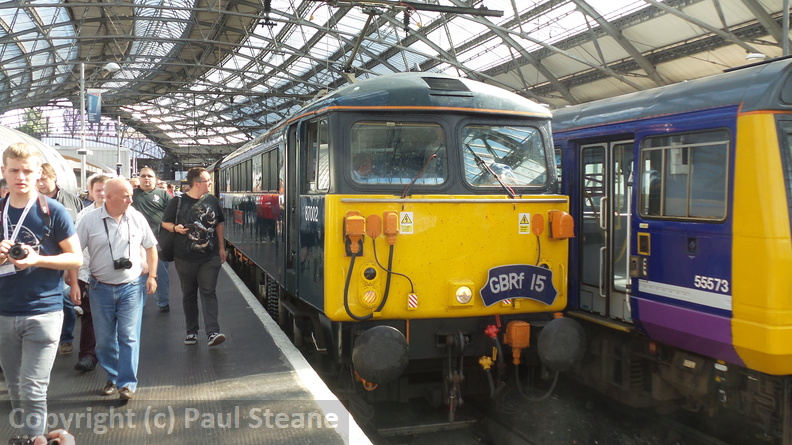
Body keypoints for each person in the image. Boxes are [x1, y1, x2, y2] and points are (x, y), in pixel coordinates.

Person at [0, 142, 82, 436]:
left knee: (33, 386)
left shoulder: (54, 211)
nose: (20, 176)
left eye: (27, 171)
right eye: (14, 171)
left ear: (38, 174)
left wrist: (39, 259)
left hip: (43, 311)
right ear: (4, 172)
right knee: (15, 387)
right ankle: (29, 436)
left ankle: (34, 439)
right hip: (4, 312)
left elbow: (76, 257)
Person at [74, 178, 157, 400]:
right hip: (100, 288)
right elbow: (74, 253)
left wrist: (152, 276)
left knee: (129, 336)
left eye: (131, 194)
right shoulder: (89, 220)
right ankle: (113, 375)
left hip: (131, 287)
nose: (131, 199)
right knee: (104, 341)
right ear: (109, 198)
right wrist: (73, 282)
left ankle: (127, 383)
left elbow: (151, 248)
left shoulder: (137, 218)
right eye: (126, 195)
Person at [162, 167, 226, 346]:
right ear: (197, 183)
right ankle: (192, 332)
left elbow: (219, 223)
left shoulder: (212, 200)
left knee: (208, 291)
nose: (211, 183)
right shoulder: (178, 201)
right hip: (185, 257)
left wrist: (221, 247)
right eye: (208, 181)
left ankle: (213, 332)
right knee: (189, 294)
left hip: (210, 256)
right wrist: (176, 228)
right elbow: (165, 223)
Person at [37, 163, 84, 357]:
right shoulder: (30, 203)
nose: (40, 183)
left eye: (43, 179)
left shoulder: (71, 201)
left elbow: (80, 230)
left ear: (54, 177)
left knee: (66, 299)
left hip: (66, 260)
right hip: (39, 262)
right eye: (37, 179)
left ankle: (66, 338)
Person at [69, 174, 112, 373]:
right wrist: (75, 277)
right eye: (98, 190)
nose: (102, 194)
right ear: (91, 192)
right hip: (88, 273)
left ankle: (113, 362)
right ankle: (87, 355)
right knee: (89, 315)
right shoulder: (84, 215)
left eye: (105, 190)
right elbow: (76, 248)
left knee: (113, 319)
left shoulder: (124, 212)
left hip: (115, 275)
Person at [132, 167, 172, 312]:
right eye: (143, 176)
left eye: (150, 176)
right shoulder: (131, 195)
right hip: (136, 245)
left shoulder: (163, 195)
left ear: (155, 179)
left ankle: (163, 302)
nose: (146, 178)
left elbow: (173, 214)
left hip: (158, 242)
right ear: (139, 178)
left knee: (160, 274)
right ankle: (138, 306)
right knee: (139, 276)